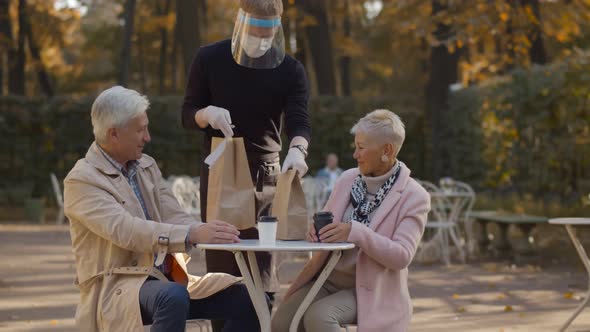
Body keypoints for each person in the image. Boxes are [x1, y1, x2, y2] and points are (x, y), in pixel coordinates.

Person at [64, 86, 260, 332]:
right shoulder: (82, 180)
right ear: (114, 134)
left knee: (249, 297)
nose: (147, 137)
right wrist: (191, 235)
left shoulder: (147, 165)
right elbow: (126, 231)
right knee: (172, 297)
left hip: (166, 280)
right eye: (140, 129)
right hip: (116, 286)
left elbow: (172, 213)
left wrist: (203, 229)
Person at [180, 0, 312, 323]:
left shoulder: (290, 69)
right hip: (222, 171)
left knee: (263, 270)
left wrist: (298, 149)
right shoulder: (209, 58)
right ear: (240, 23)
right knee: (224, 271)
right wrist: (206, 114)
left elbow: (299, 120)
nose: (259, 42)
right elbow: (186, 113)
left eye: (267, 36)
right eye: (254, 34)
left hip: (266, 177)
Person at [271, 109, 431, 332]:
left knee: (319, 318)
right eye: (355, 146)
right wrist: (315, 234)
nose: (355, 154)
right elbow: (328, 224)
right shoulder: (347, 179)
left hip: (373, 289)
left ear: (387, 150)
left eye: (362, 148)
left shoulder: (414, 196)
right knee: (281, 323)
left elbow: (402, 256)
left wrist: (356, 232)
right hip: (326, 278)